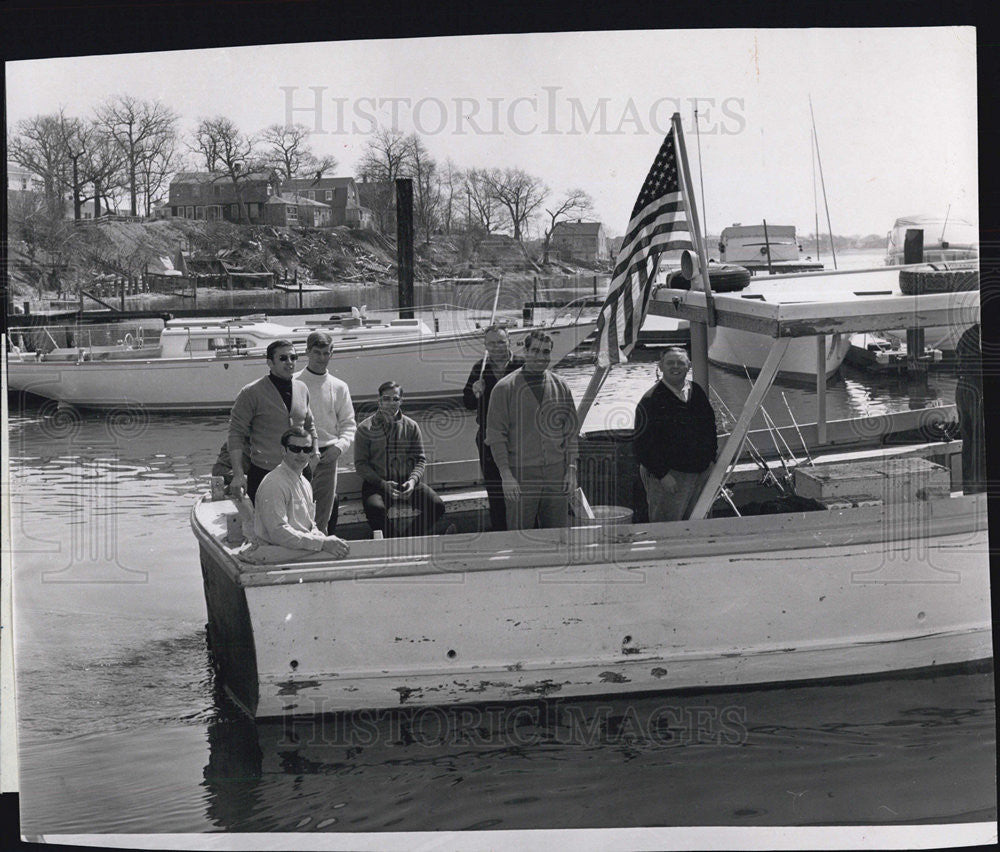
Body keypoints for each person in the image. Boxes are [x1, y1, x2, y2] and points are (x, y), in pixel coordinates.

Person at [485, 329, 579, 530]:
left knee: (558, 535)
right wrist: (506, 476)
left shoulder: (561, 386)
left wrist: (571, 469)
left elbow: (571, 431)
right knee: (520, 535)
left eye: (545, 352)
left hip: (556, 474)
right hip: (521, 476)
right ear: (525, 352)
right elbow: (495, 436)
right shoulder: (504, 388)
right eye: (535, 350)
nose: (540, 356)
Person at [633, 347, 718, 522]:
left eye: (681, 363)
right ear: (661, 366)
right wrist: (663, 475)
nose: (675, 367)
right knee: (667, 527)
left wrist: (711, 461)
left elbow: (710, 427)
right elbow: (641, 445)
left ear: (689, 366)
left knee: (698, 524)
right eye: (670, 362)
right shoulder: (650, 400)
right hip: (670, 478)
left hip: (700, 473)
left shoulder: (697, 392)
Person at [228, 339, 318, 503]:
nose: (290, 362)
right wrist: (238, 474)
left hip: (300, 471)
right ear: (270, 362)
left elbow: (309, 426)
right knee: (269, 525)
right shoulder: (251, 392)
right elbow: (235, 434)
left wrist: (315, 452)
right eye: (283, 358)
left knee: (302, 521)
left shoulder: (302, 388)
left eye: (293, 357)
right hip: (265, 472)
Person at [354, 380, 446, 537]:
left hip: (406, 482)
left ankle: (407, 538)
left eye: (395, 399)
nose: (391, 403)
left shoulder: (412, 426)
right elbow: (361, 464)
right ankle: (394, 541)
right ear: (379, 400)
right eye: (386, 398)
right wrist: (382, 484)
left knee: (437, 506)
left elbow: (420, 460)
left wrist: (412, 481)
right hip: (377, 483)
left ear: (401, 401)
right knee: (376, 510)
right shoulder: (364, 428)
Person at [462, 325, 524, 531]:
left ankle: (525, 530)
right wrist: (473, 391)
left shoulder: (523, 366)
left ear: (509, 341)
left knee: (522, 487)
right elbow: (468, 403)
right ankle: (500, 532)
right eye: (491, 343)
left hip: (520, 438)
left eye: (500, 342)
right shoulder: (480, 368)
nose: (496, 347)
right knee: (495, 489)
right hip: (488, 439)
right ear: (485, 345)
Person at [253, 427, 350, 557]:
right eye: (295, 449)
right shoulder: (274, 484)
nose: (302, 454)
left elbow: (310, 525)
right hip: (275, 555)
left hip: (301, 550)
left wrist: (324, 539)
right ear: (283, 450)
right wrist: (322, 543)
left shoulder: (305, 482)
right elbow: (277, 532)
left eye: (307, 449)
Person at [295, 330, 357, 534]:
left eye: (326, 353)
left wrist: (339, 448)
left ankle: (320, 549)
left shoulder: (340, 387)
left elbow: (349, 424)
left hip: (329, 456)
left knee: (322, 514)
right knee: (296, 510)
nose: (322, 358)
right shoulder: (293, 382)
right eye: (317, 352)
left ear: (332, 353)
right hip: (298, 454)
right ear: (307, 352)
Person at [955, 323, 985, 495]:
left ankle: (971, 490)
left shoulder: (969, 333)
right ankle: (981, 491)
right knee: (980, 442)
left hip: (964, 386)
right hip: (977, 388)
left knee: (970, 441)